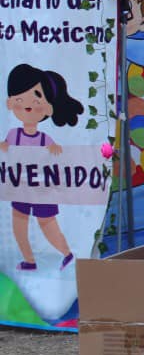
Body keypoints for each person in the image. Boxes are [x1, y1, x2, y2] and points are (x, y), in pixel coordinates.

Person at [3, 64, 84, 270]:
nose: (27, 105)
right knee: (19, 225)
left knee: (47, 224)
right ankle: (29, 260)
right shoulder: (14, 135)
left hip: (42, 189)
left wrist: (55, 150)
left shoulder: (45, 139)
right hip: (21, 187)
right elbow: (6, 148)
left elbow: (56, 157)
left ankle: (67, 254)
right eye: (19, 99)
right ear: (11, 102)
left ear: (47, 108)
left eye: (35, 98)